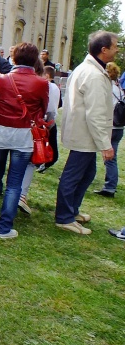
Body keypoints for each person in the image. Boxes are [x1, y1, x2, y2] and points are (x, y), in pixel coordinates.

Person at [54, 30, 119, 235]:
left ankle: (71, 210)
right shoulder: (93, 74)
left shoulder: (90, 69)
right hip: (85, 133)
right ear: (104, 49)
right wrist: (105, 145)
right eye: (115, 46)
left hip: (83, 132)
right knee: (73, 176)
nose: (117, 50)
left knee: (87, 173)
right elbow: (96, 114)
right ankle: (64, 217)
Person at [0, 43, 49, 240]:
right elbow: (43, 109)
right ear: (35, 60)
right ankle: (4, 227)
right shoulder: (41, 83)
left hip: (0, 132)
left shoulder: (1, 79)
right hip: (23, 134)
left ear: (14, 58)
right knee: (14, 182)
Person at [17, 59, 59, 214]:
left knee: (16, 160)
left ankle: (13, 193)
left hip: (16, 126)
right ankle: (21, 195)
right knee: (29, 161)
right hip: (36, 127)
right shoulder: (49, 86)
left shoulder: (15, 80)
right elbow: (51, 111)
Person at [94, 61, 123, 197]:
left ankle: (110, 187)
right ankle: (111, 185)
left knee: (107, 157)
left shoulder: (108, 88)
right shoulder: (120, 89)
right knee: (112, 157)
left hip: (110, 126)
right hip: (119, 126)